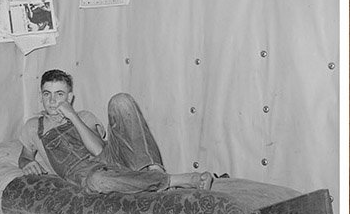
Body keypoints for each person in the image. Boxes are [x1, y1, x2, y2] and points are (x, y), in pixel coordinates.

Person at [18, 69, 213, 194]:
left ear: (70, 97)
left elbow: (98, 151)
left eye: (59, 95)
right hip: (87, 175)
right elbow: (24, 156)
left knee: (120, 101)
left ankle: (152, 169)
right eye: (47, 94)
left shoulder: (84, 116)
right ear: (41, 97)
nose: (53, 101)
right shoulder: (33, 126)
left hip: (111, 159)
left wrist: (73, 117)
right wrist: (28, 163)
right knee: (97, 181)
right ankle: (176, 181)